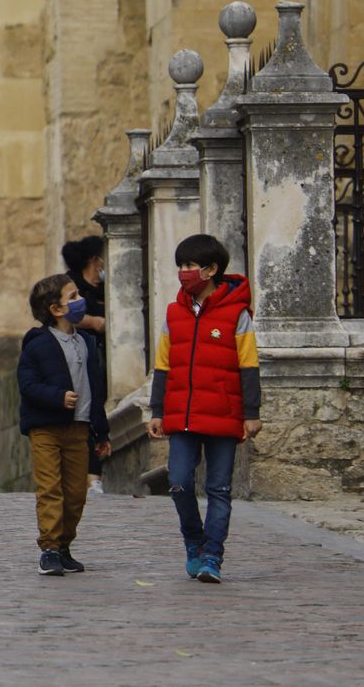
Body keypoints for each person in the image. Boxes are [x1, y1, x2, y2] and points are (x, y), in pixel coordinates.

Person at [148, 233, 260, 584]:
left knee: (219, 489)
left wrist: (251, 414)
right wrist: (156, 410)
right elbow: (163, 366)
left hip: (224, 415)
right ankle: (193, 541)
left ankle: (213, 556)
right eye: (180, 265)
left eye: (190, 266)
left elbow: (249, 366)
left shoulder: (238, 314)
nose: (184, 272)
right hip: (181, 415)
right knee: (179, 482)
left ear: (211, 270)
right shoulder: (173, 314)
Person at [17, 274, 111, 576]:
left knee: (75, 493)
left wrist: (102, 431)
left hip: (80, 428)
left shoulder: (86, 342)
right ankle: (49, 548)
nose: (79, 300)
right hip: (46, 428)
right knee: (50, 488)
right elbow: (27, 384)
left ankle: (64, 544)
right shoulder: (37, 344)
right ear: (56, 309)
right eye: (72, 297)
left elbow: (95, 389)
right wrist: (58, 397)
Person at [60, 235, 108, 493]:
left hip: (103, 357)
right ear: (94, 260)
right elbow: (63, 314)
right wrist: (93, 322)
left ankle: (93, 473)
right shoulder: (72, 285)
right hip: (78, 356)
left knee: (97, 411)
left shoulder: (107, 289)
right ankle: (90, 476)